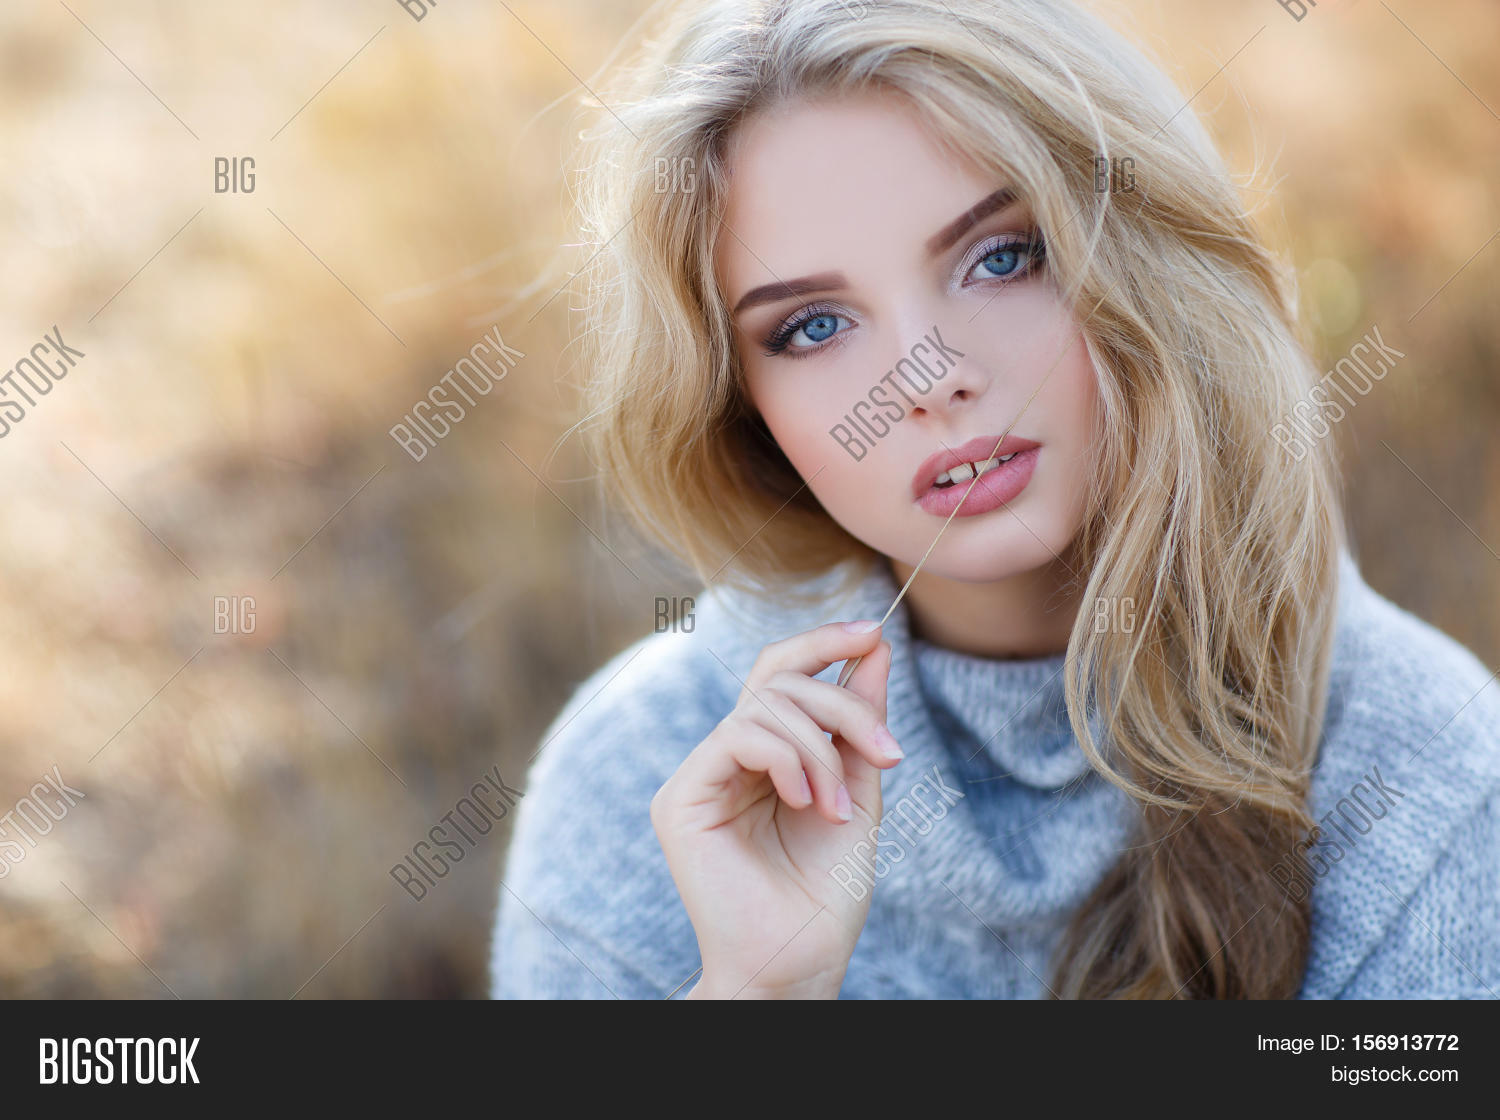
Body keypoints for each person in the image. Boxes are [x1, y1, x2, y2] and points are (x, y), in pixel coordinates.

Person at [489, 0, 1499, 998]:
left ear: (1148, 259)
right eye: (812, 326)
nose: (927, 377)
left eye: (1002, 257)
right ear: (742, 409)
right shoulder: (636, 777)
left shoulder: (1432, 774)